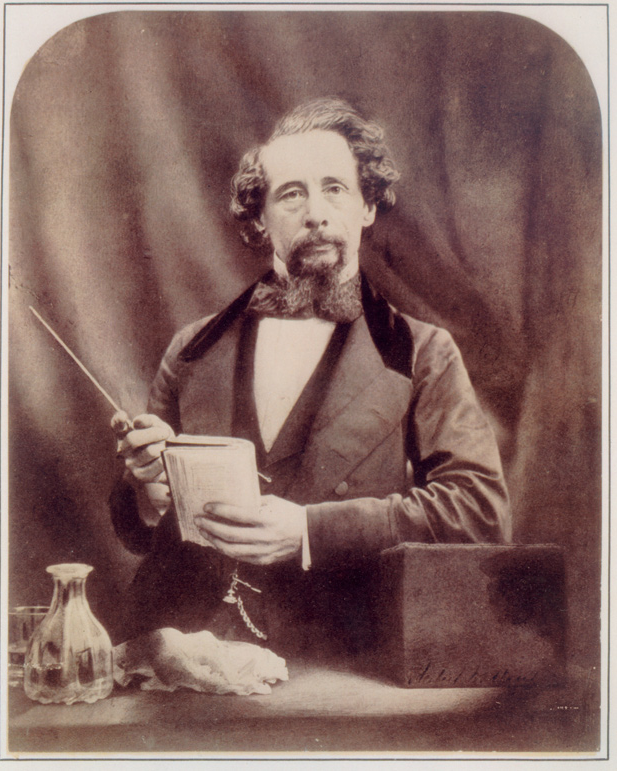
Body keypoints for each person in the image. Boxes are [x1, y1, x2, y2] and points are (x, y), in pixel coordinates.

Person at [110, 97, 510, 656]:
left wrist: (308, 531)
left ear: (367, 206)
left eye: (335, 189)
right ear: (259, 218)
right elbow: (138, 530)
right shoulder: (192, 349)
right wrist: (147, 492)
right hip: (186, 648)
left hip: (335, 655)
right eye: (292, 194)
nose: (315, 213)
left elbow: (479, 511)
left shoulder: (423, 353)